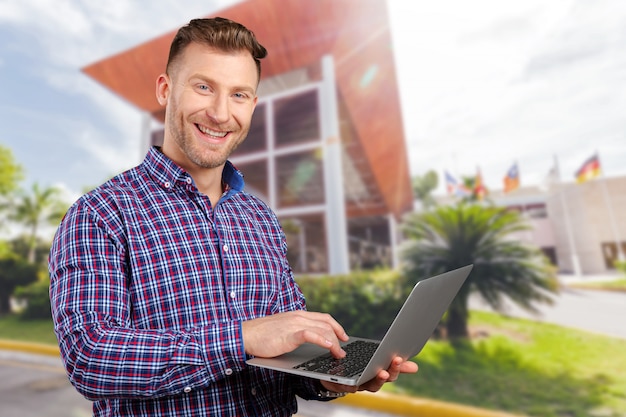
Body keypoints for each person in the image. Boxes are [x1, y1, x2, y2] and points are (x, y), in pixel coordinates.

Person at [48, 17, 418, 417]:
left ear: (253, 105)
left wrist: (331, 376)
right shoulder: (100, 214)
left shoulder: (260, 219)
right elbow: (89, 358)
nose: (221, 113)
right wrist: (242, 338)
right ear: (165, 89)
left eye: (239, 94)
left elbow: (285, 356)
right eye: (204, 87)